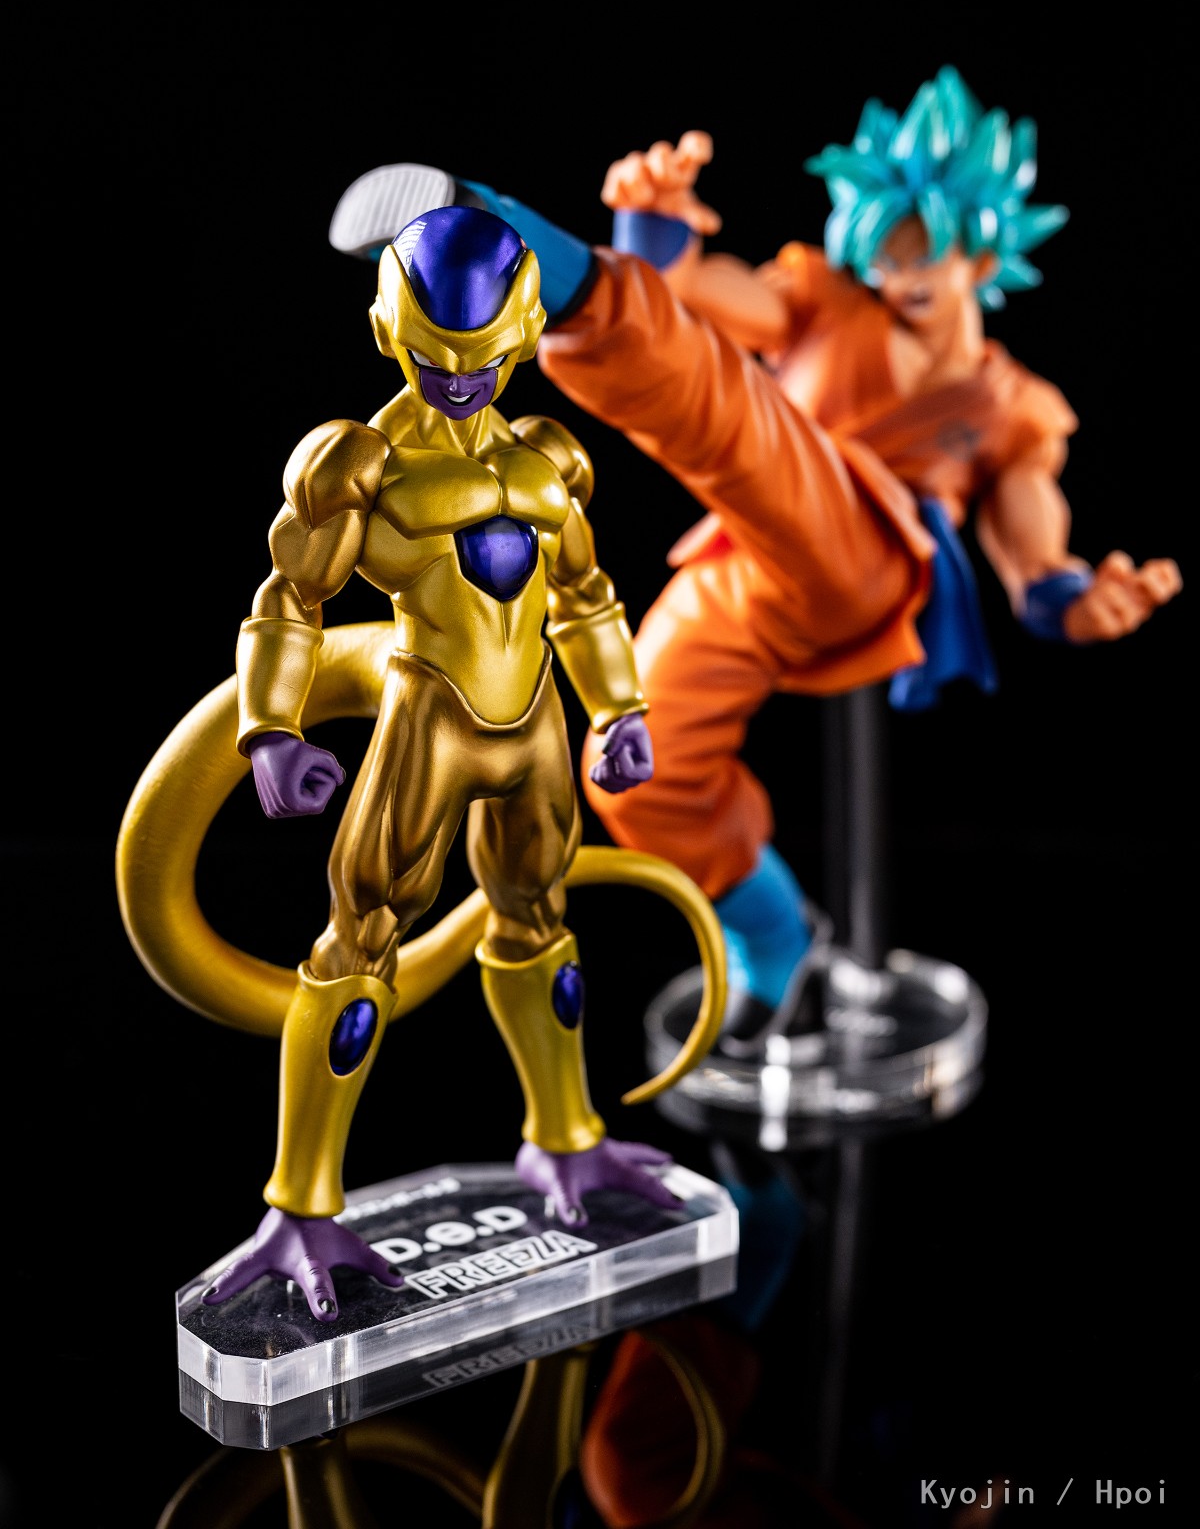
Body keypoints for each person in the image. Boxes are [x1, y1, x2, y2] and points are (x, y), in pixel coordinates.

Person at [326, 67, 1181, 1045]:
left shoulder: (1007, 404)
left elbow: (1030, 533)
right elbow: (693, 298)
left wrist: (1067, 594)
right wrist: (655, 228)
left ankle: (500, 234)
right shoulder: (826, 301)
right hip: (755, 561)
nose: (899, 267)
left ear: (982, 255)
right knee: (632, 767)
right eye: (886, 244)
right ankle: (780, 939)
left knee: (736, 421)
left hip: (868, 562)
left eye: (924, 246)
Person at [202, 205, 693, 1322]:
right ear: (392, 330)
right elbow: (289, 597)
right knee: (360, 939)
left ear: (522, 335)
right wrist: (271, 730)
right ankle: (301, 1205)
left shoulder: (549, 456)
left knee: (541, 919)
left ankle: (564, 1135)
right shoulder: (358, 463)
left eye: (480, 358)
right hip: (428, 716)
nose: (460, 379)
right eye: (437, 357)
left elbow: (584, 596)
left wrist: (619, 707)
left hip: (535, 723)